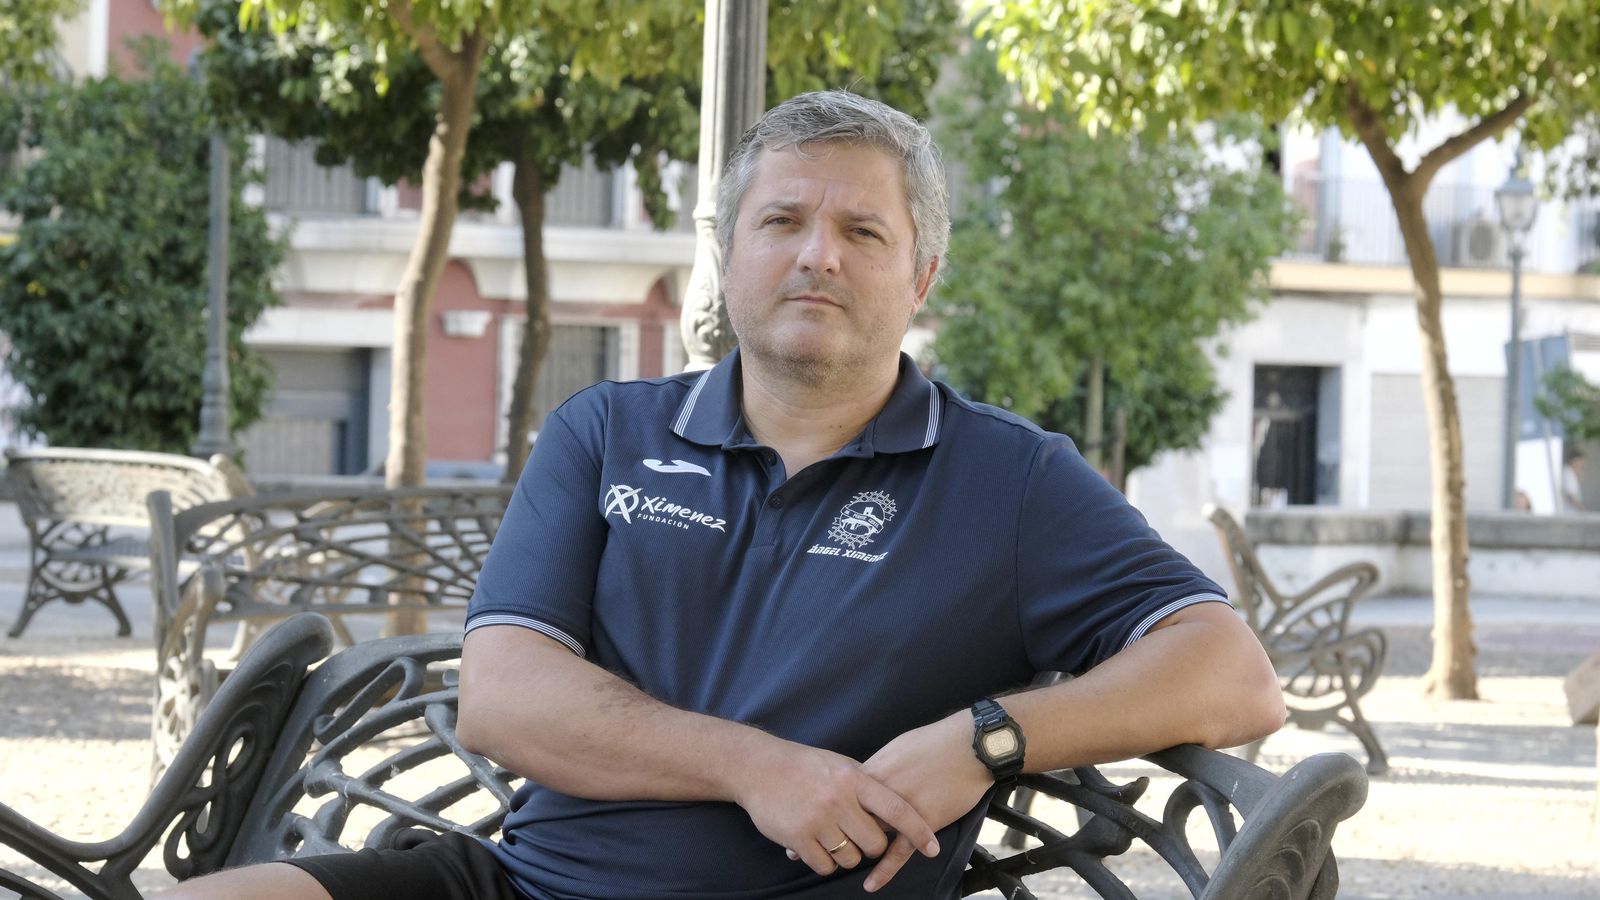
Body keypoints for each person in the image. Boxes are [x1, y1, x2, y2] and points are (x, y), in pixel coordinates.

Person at [159, 90, 1284, 900]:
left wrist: (986, 740)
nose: (817, 257)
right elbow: (505, 697)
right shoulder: (605, 431)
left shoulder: (1012, 479)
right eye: (782, 222)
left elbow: (1231, 673)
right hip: (516, 882)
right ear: (730, 255)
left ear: (921, 275)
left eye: (861, 232)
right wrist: (760, 769)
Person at [1561, 444, 1585, 512]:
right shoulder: (1568, 474)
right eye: (1581, 463)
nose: (1582, 466)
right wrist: (1583, 510)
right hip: (1569, 515)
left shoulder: (1571, 474)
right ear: (1573, 461)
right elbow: (1570, 497)